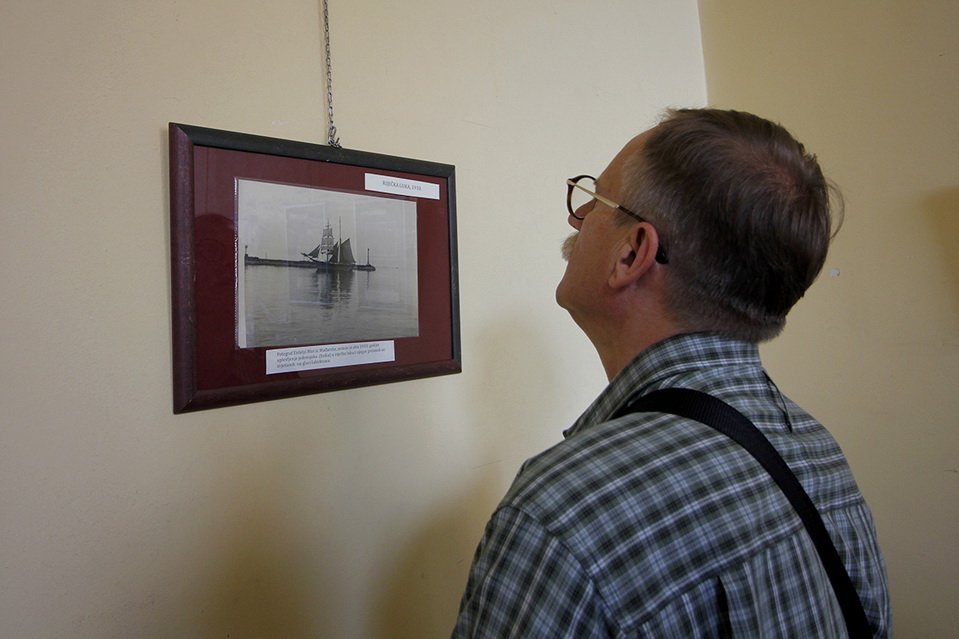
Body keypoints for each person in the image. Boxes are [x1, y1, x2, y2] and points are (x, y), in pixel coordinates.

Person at [452, 108, 891, 638]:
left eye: (597, 200)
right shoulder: (817, 451)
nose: (577, 217)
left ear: (632, 253)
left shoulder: (566, 510)